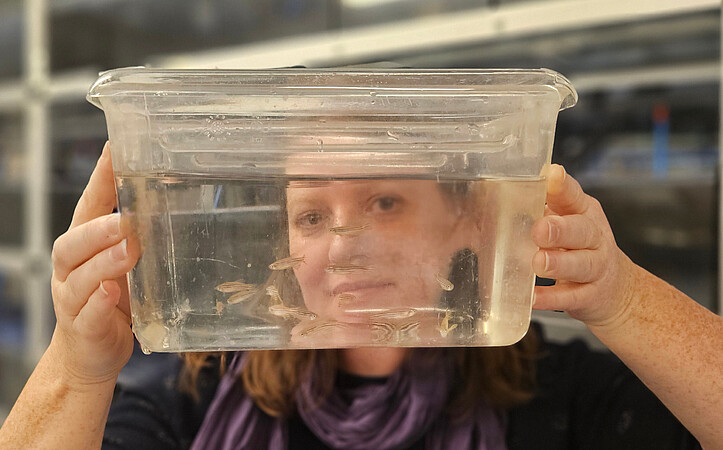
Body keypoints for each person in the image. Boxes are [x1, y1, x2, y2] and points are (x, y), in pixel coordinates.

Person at [0, 141, 721, 449]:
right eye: (311, 217)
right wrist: (77, 366)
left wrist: (622, 299)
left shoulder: (558, 396)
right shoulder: (192, 396)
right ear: (287, 247)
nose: (343, 245)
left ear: (464, 224)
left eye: (383, 202)